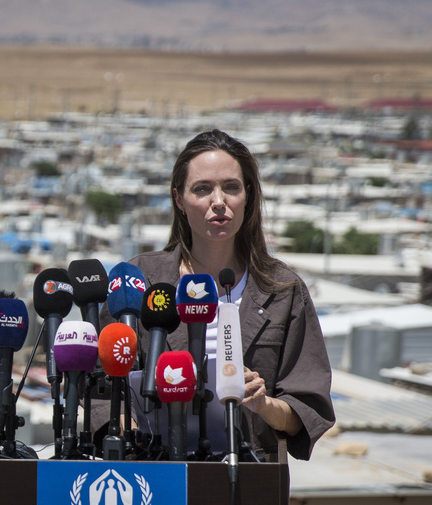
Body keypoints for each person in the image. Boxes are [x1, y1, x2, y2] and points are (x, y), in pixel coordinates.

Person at [99, 129, 335, 461]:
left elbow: (306, 410)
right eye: (202, 189)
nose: (219, 201)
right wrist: (130, 429)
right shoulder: (141, 281)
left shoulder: (283, 291)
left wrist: (263, 404)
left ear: (248, 195)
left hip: (248, 478)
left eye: (231, 188)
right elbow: (99, 390)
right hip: (154, 476)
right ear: (179, 199)